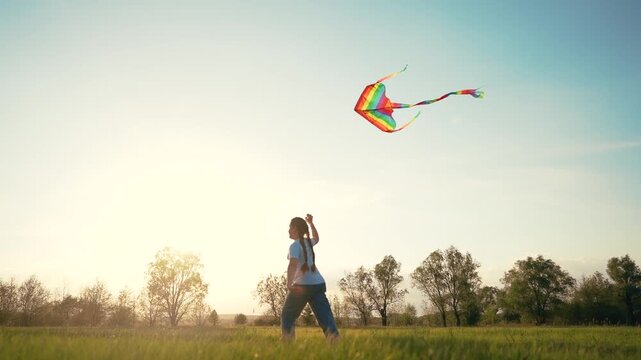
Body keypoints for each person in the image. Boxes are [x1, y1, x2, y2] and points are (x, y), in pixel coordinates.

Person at [281, 214, 339, 343]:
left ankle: (287, 348)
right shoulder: (308, 242)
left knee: (287, 316)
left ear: (295, 228)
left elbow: (292, 265)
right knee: (326, 319)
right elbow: (316, 238)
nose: (288, 230)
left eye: (290, 227)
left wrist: (289, 284)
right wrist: (311, 223)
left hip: (302, 286)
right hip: (318, 284)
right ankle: (337, 347)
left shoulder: (294, 246)